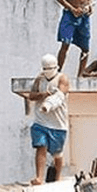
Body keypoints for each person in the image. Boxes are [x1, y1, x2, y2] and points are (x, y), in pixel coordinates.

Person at [27, 54, 70, 184]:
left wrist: (48, 104)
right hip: (41, 121)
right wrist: (43, 95)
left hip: (58, 124)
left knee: (57, 154)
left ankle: (57, 178)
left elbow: (60, 96)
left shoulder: (62, 78)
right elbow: (31, 95)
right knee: (41, 146)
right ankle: (39, 177)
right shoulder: (39, 79)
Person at [55, 0, 93, 77]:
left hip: (84, 17)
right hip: (70, 15)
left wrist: (90, 7)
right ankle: (57, 73)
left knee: (85, 48)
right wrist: (72, 9)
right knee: (65, 44)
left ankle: (80, 75)